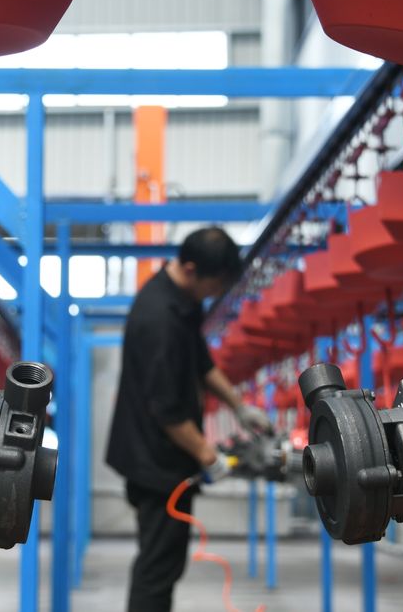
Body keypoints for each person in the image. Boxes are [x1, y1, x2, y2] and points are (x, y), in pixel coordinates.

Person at [105, 226, 272, 612]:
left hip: (166, 458)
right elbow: (166, 410)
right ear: (193, 269)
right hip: (156, 465)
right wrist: (207, 455)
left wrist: (238, 405)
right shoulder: (159, 318)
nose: (216, 293)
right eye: (215, 284)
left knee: (164, 562)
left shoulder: (183, 298)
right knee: (158, 569)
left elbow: (200, 361)